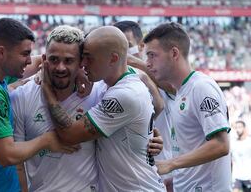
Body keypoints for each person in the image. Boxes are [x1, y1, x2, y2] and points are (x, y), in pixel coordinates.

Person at [0, 18, 76, 191]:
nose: (27, 60)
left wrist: (72, 68)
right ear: (1, 53)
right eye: (24, 54)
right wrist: (47, 140)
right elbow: (7, 155)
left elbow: (34, 62)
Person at [41, 26, 165, 191]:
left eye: (89, 58)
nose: (83, 64)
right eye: (82, 58)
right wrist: (143, 132)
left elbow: (69, 135)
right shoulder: (120, 82)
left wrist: (48, 91)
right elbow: (158, 105)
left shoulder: (124, 95)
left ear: (113, 59)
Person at [11, 25, 100, 192]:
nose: (60, 67)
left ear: (81, 62)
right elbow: (18, 164)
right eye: (54, 60)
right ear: (44, 59)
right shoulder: (22, 96)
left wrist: (150, 137)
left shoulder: (98, 93)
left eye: (68, 60)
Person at [144, 22, 231, 192]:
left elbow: (221, 145)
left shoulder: (201, 87)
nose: (147, 63)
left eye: (152, 55)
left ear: (174, 53)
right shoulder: (181, 92)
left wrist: (170, 164)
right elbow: (191, 147)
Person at [114, 20, 176, 192]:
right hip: (127, 178)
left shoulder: (161, 75)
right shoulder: (112, 82)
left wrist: (136, 64)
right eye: (116, 47)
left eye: (127, 46)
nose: (121, 53)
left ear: (141, 46)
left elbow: (175, 87)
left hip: (163, 174)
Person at [231, 120, 251, 192]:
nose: (237, 129)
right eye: (236, 127)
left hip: (248, 176)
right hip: (236, 176)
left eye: (239, 127)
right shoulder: (233, 143)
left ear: (244, 128)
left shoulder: (249, 142)